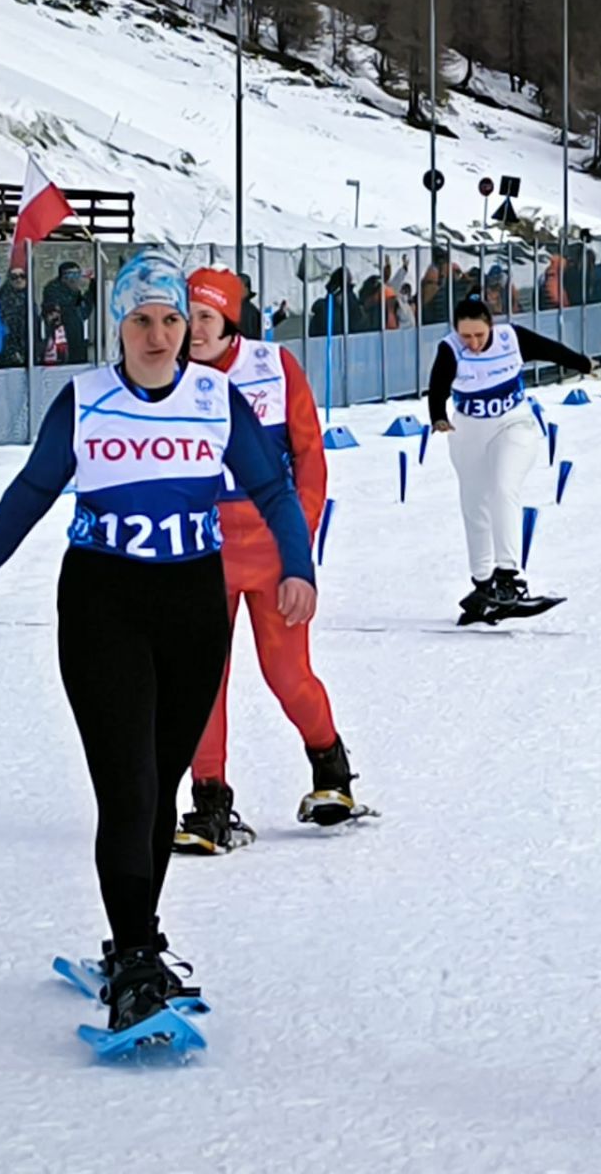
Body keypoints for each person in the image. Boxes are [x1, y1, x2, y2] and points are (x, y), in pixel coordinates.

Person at [0, 252, 317, 1036]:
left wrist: (298, 566)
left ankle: (133, 938)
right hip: (104, 601)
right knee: (128, 787)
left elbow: (273, 486)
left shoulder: (215, 398)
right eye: (142, 320)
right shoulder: (86, 399)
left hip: (192, 601)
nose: (159, 335)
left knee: (162, 784)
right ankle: (138, 960)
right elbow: (28, 495)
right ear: (118, 324)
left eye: (171, 319)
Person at [171, 268, 356, 855]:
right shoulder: (166, 374)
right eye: (186, 317)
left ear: (230, 321)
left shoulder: (274, 366)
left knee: (286, 675)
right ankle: (209, 802)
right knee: (202, 682)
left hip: (271, 550)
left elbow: (309, 457)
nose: (193, 330)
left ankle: (330, 768)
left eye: (205, 318)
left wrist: (298, 546)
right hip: (201, 551)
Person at [428, 297, 591, 623]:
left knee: (504, 488)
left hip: (513, 423)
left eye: (479, 335)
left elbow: (551, 350)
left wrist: (582, 363)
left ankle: (509, 577)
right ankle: (483, 583)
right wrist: (438, 417)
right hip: (469, 430)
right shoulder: (450, 349)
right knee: (474, 502)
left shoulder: (511, 339)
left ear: (491, 326)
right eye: (466, 336)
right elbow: (438, 387)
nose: (473, 343)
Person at [41, 261, 94, 364]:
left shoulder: (74, 294)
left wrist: (93, 286)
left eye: (77, 275)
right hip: (62, 350)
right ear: (62, 277)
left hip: (76, 346)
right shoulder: (54, 294)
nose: (74, 279)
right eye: (70, 275)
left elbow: (84, 312)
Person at [1, 265, 32, 366]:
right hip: (13, 352)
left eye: (22, 276)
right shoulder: (5, 299)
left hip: (30, 348)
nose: (19, 280)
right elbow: (6, 329)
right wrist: (13, 351)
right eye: (14, 277)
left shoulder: (29, 296)